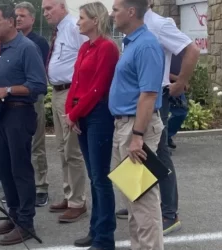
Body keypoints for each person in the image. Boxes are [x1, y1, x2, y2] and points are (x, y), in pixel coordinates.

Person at [115, 0, 200, 236]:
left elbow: (191, 49)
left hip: (153, 99)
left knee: (157, 155)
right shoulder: (135, 28)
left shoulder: (158, 24)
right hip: (136, 102)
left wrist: (180, 82)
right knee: (143, 156)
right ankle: (138, 202)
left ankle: (169, 213)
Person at [0, 4, 47, 246]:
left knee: (20, 169)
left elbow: (39, 85)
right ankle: (13, 215)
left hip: (19, 115)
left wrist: (7, 90)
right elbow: (5, 84)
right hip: (0, 114)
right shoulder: (3, 47)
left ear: (11, 22)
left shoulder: (27, 48)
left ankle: (26, 223)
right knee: (4, 168)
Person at [109, 0, 165, 249]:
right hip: (125, 126)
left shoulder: (146, 45)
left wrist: (137, 136)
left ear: (131, 12)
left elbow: (149, 95)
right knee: (133, 198)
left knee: (143, 200)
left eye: (116, 10)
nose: (112, 14)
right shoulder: (131, 43)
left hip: (136, 127)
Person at [65, 2, 119, 250]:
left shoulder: (107, 48)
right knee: (94, 175)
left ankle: (104, 237)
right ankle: (96, 230)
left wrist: (75, 113)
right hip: (83, 113)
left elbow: (98, 88)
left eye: (82, 18)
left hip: (97, 115)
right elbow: (75, 82)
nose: (78, 22)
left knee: (100, 177)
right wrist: (70, 112)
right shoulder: (85, 47)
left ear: (95, 20)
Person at [42, 0, 88, 223]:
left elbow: (88, 54)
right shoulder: (59, 31)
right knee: (62, 148)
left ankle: (78, 201)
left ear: (62, 6)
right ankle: (69, 195)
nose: (46, 13)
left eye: (49, 8)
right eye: (43, 9)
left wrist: (79, 95)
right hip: (58, 92)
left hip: (71, 92)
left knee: (72, 150)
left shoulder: (73, 27)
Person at [4, 2, 51, 207]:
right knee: (16, 146)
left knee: (36, 143)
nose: (19, 18)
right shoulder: (10, 41)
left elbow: (36, 76)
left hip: (31, 97)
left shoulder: (37, 42)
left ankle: (41, 186)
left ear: (32, 19)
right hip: (11, 99)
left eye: (23, 15)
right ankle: (20, 189)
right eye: (17, 15)